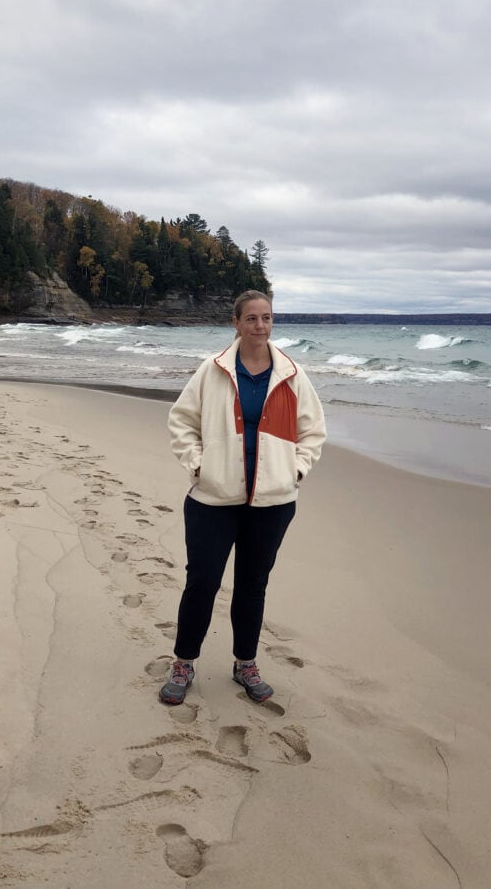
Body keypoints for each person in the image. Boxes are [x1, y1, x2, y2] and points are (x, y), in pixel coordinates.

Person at [161, 290, 326, 705]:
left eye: (266, 318)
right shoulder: (212, 370)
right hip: (213, 500)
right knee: (201, 583)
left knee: (253, 585)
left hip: (272, 503)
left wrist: (297, 469)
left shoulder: (291, 374)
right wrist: (199, 466)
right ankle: (184, 663)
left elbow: (313, 430)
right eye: (251, 319)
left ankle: (245, 664)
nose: (260, 326)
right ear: (236, 323)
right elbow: (181, 420)